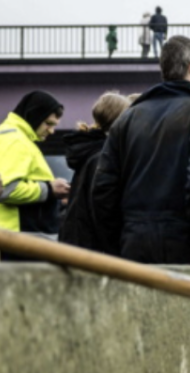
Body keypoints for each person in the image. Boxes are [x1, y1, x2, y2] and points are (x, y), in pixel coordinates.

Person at [93, 36, 190, 265]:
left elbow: (103, 190)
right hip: (184, 246)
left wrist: (118, 244)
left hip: (132, 243)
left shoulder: (127, 119)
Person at [0, 91, 70, 236]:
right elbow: (6, 189)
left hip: (7, 235)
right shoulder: (14, 140)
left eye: (54, 125)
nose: (52, 131)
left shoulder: (16, 138)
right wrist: (49, 189)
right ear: (34, 116)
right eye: (48, 123)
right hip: (11, 237)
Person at [59, 91, 131, 253]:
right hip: (93, 249)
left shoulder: (89, 152)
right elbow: (103, 208)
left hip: (78, 243)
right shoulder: (102, 157)